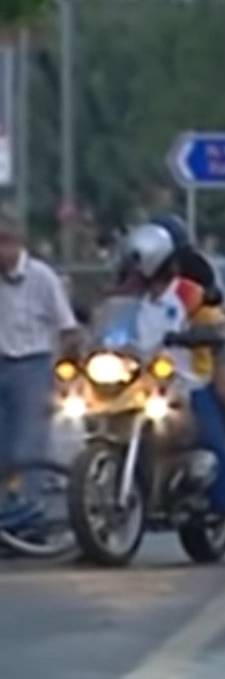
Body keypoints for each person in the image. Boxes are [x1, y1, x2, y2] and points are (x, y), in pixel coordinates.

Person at [120, 222, 225, 561]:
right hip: (137, 383)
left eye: (140, 261)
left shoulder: (187, 291)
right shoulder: (128, 298)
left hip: (186, 382)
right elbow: (108, 324)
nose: (135, 268)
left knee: (215, 444)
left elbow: (215, 322)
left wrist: (198, 334)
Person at [0, 211, 80, 527]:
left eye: (4, 242)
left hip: (32, 367)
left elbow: (68, 328)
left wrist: (63, 373)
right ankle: (8, 520)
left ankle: (30, 519)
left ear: (18, 243)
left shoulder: (42, 277)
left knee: (27, 449)